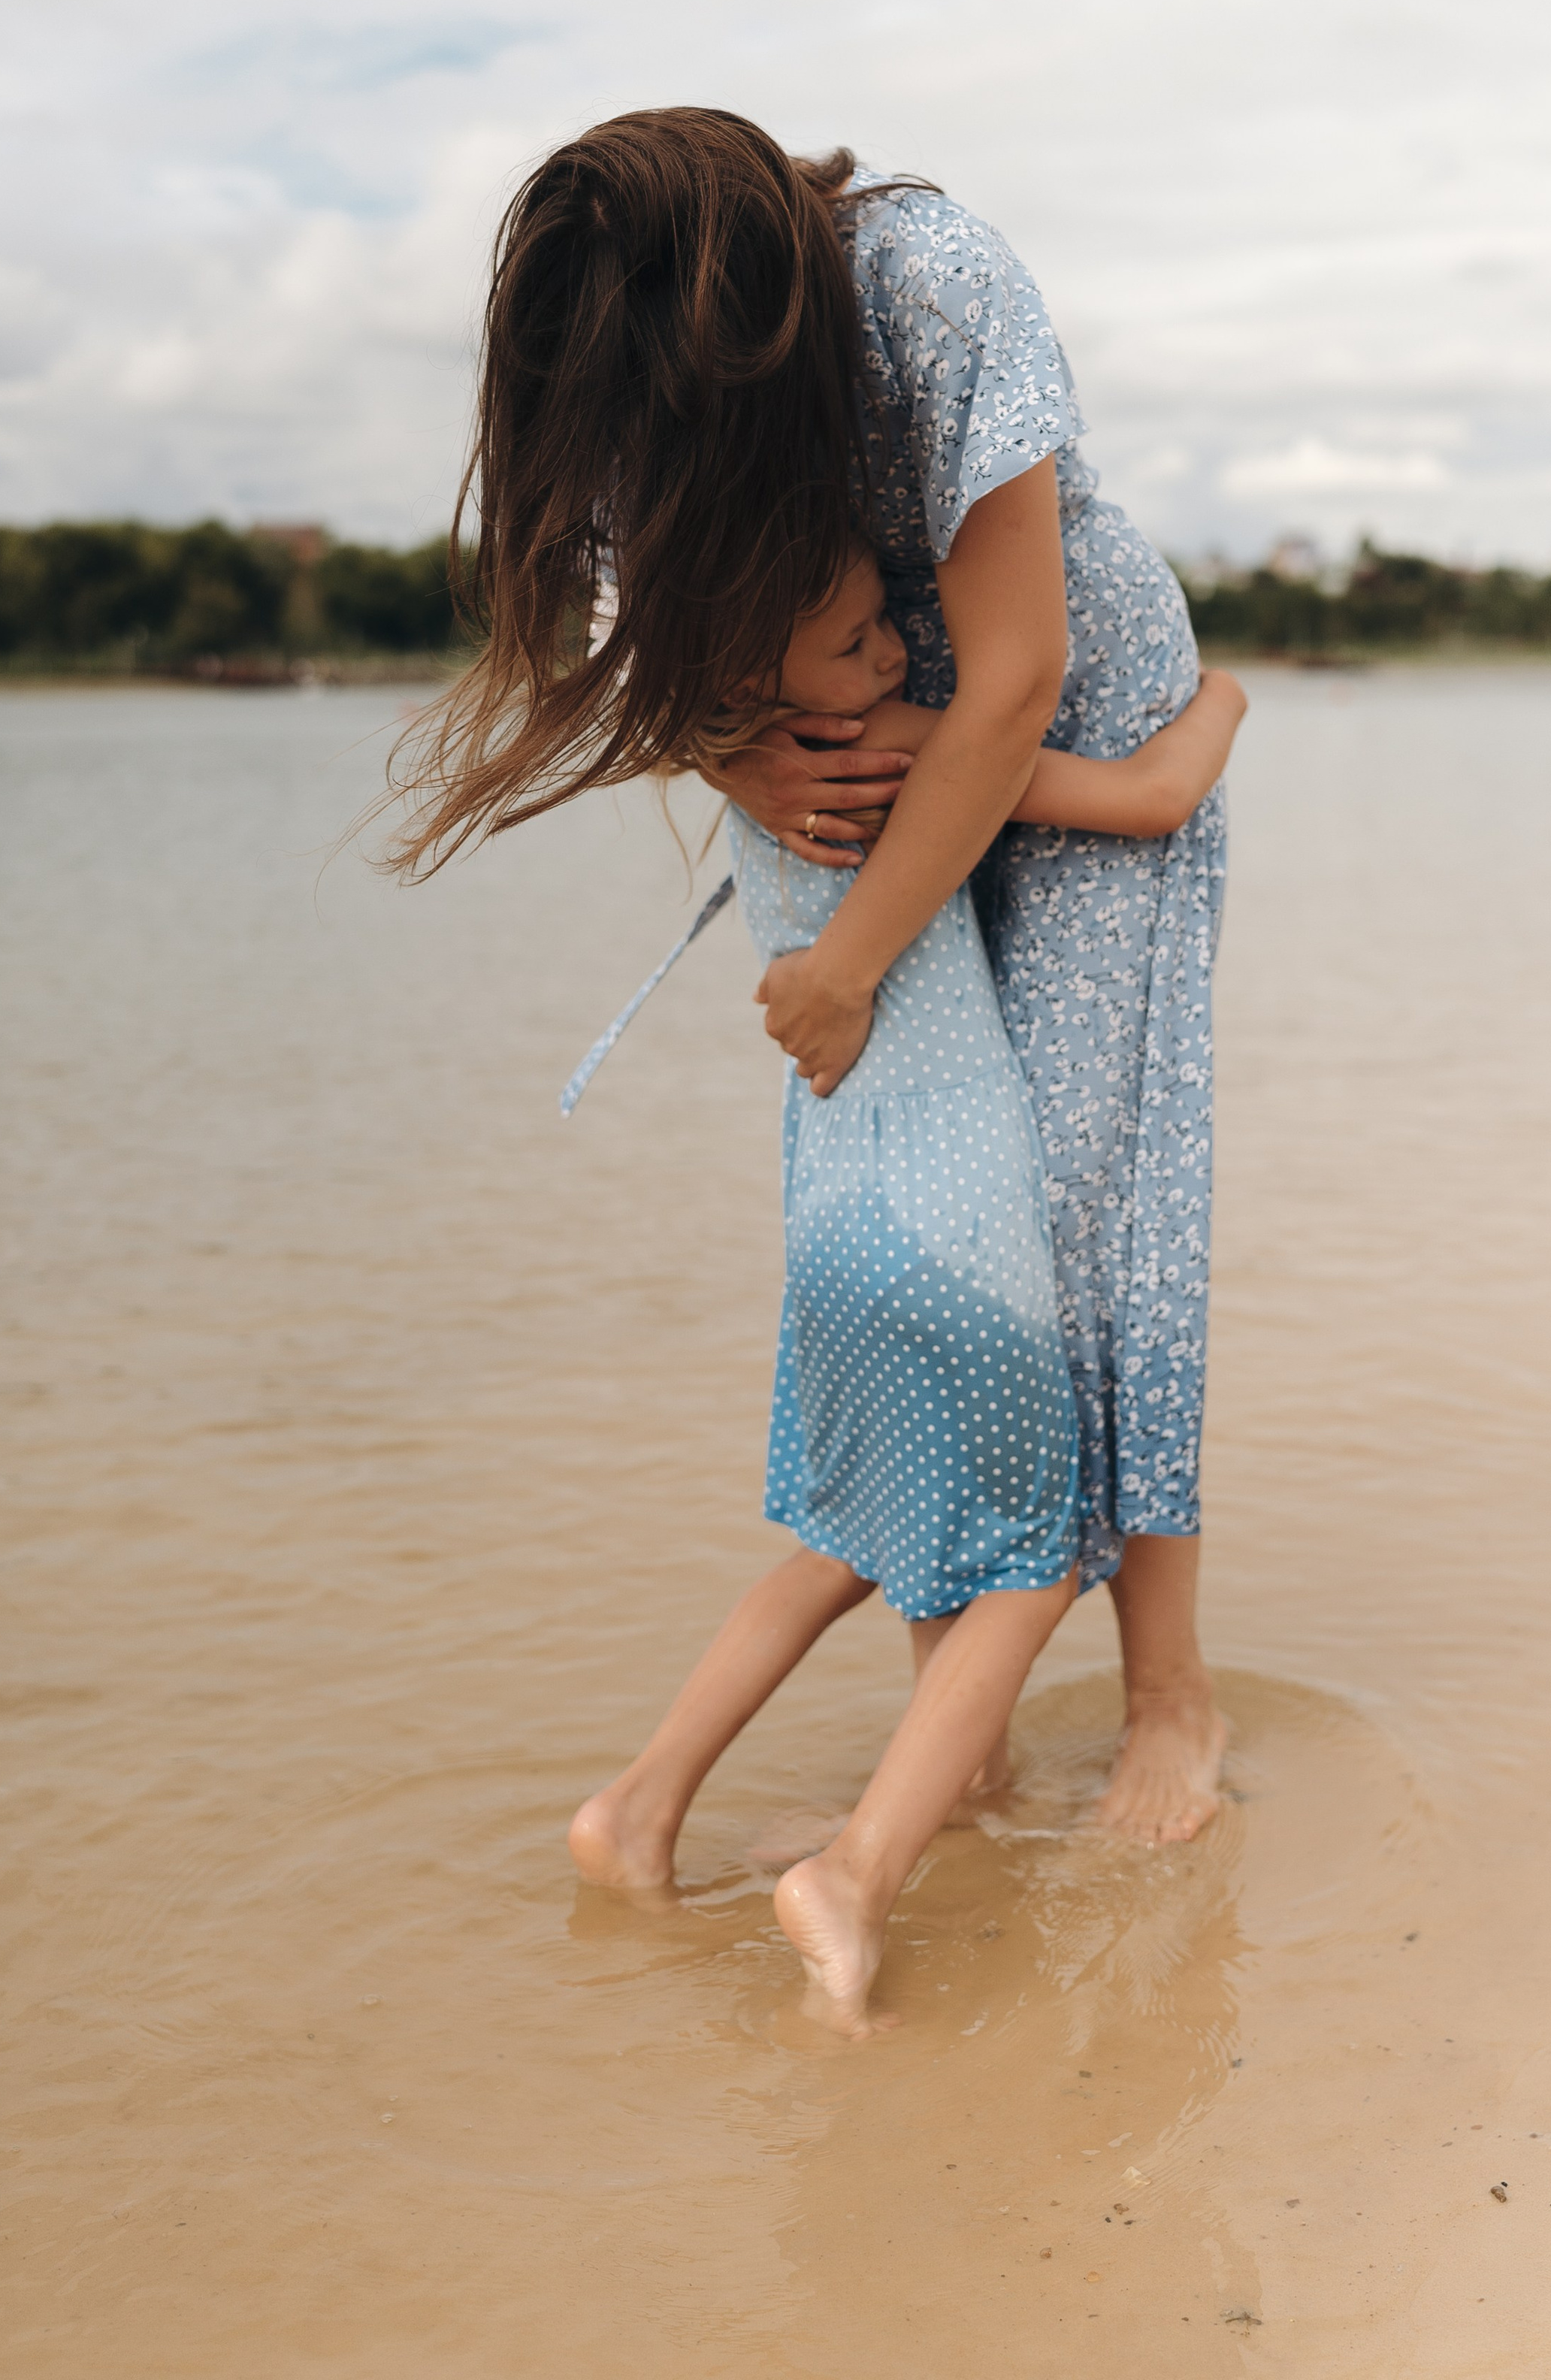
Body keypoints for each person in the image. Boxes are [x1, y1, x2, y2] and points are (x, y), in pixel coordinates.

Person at [389, 106, 1236, 1849]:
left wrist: (844, 965)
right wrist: (737, 761)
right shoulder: (634, 381)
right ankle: (963, 1725)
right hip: (841, 747)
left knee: (1090, 1221)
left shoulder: (925, 283)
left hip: (1060, 733)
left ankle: (1167, 1695)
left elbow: (1007, 682)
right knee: (937, 1240)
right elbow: (668, 653)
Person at [561, 549, 1244, 2030]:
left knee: (839, 1535)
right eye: (862, 641)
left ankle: (635, 1808)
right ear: (767, 687)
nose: (894, 660)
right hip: (959, 1230)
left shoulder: (751, 777)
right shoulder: (895, 753)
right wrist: (1225, 699)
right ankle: (860, 1876)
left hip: (833, 1209)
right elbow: (1144, 803)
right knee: (1038, 1557)